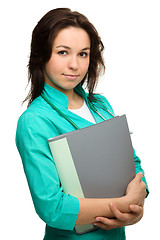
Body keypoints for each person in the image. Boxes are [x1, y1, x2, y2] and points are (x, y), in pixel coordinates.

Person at [16, 8, 149, 240]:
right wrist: (122, 204)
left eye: (83, 54)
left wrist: (135, 209)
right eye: (63, 52)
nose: (74, 65)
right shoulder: (34, 122)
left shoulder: (100, 105)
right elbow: (53, 208)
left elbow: (132, 165)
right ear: (41, 55)